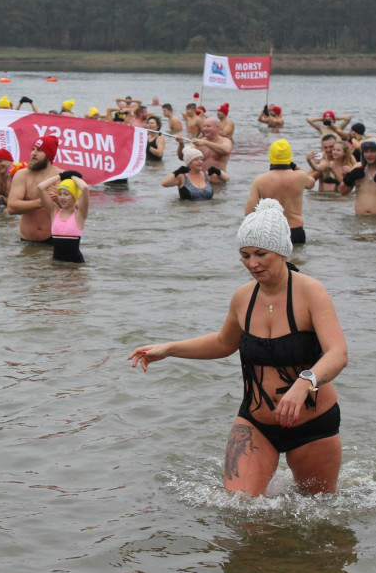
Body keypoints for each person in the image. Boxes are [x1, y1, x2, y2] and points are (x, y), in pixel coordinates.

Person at [129, 199, 347, 496]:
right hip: (256, 421)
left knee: (319, 519)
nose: (252, 264)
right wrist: (168, 349)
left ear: (282, 251)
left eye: (260, 254)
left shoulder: (311, 292)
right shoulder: (243, 297)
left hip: (312, 424)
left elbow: (338, 354)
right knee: (240, 509)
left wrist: (303, 384)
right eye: (244, 255)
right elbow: (223, 343)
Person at [245, 139, 315, 244]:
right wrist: (295, 166)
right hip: (296, 231)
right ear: (289, 156)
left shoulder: (260, 180)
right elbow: (311, 183)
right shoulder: (300, 176)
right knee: (297, 259)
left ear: (271, 156)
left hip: (272, 232)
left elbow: (249, 213)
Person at [7, 135, 63, 242]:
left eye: (39, 150)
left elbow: (74, 210)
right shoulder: (22, 175)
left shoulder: (61, 176)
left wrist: (59, 201)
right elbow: (11, 207)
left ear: (49, 155)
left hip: (54, 239)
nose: (34, 153)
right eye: (33, 149)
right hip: (27, 241)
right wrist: (43, 201)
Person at [38, 171, 90, 263]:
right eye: (60, 194)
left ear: (74, 197)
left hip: (75, 266)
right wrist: (60, 176)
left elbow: (85, 188)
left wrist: (73, 177)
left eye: (66, 194)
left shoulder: (80, 215)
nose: (62, 197)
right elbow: (41, 187)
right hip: (56, 264)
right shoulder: (54, 212)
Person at [339, 138, 376, 216]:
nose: (369, 155)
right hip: (359, 219)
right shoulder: (357, 167)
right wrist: (349, 178)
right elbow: (343, 192)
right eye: (366, 152)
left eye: (372, 151)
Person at [162, 146, 228, 200]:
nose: (200, 162)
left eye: (201, 159)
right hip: (189, 213)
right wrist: (176, 172)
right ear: (189, 163)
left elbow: (226, 179)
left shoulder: (206, 175)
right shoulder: (182, 177)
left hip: (207, 212)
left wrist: (217, 171)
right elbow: (164, 184)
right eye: (196, 160)